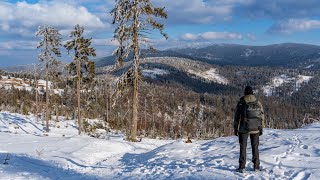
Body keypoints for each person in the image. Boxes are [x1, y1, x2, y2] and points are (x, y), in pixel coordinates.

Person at [234, 86, 264, 173]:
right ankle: (256, 166)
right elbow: (262, 115)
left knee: (243, 147)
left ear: (245, 92)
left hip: (243, 128)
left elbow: (236, 116)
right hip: (256, 128)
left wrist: (235, 128)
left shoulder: (241, 102)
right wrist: (261, 127)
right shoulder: (257, 102)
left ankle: (242, 167)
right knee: (255, 147)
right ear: (252, 92)